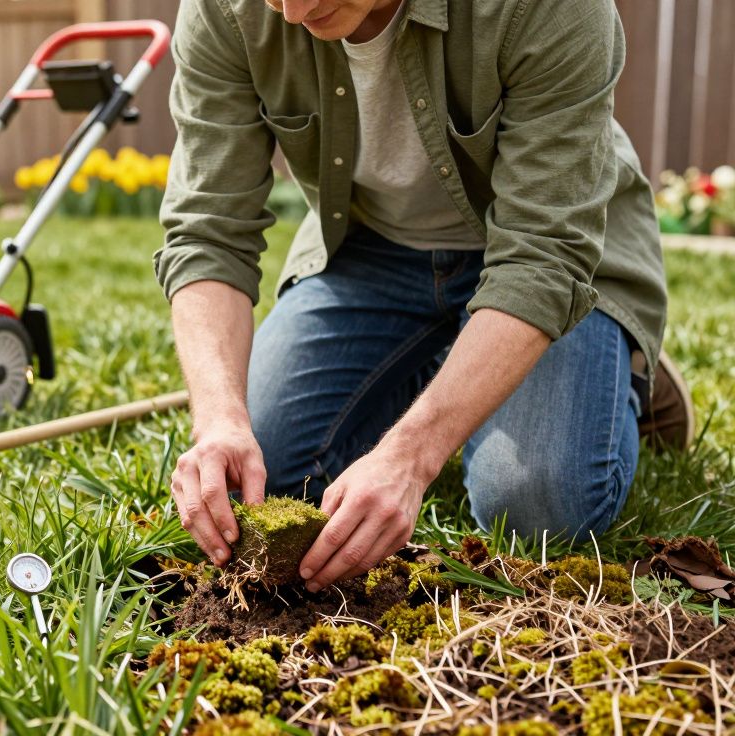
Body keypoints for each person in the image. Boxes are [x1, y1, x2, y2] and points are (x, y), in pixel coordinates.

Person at [155, 0, 693, 594]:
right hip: (373, 248)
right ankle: (455, 367)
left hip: (544, 255)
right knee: (267, 472)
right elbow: (208, 231)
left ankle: (621, 365)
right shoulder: (225, 9)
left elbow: (544, 254)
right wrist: (219, 420)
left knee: (535, 507)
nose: (292, 11)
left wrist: (411, 457)